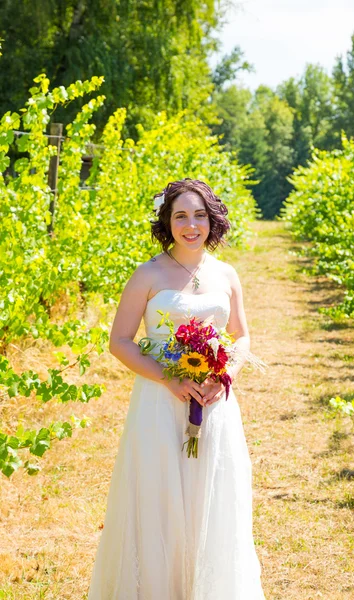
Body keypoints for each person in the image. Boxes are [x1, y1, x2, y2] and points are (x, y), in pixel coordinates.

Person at [87, 178, 265, 599]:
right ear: (167, 222)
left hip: (214, 404)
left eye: (199, 216)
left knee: (211, 498)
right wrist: (170, 378)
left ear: (212, 220)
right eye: (180, 216)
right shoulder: (148, 274)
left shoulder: (226, 274)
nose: (191, 225)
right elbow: (120, 342)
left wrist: (226, 376)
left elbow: (241, 337)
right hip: (158, 402)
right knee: (159, 500)